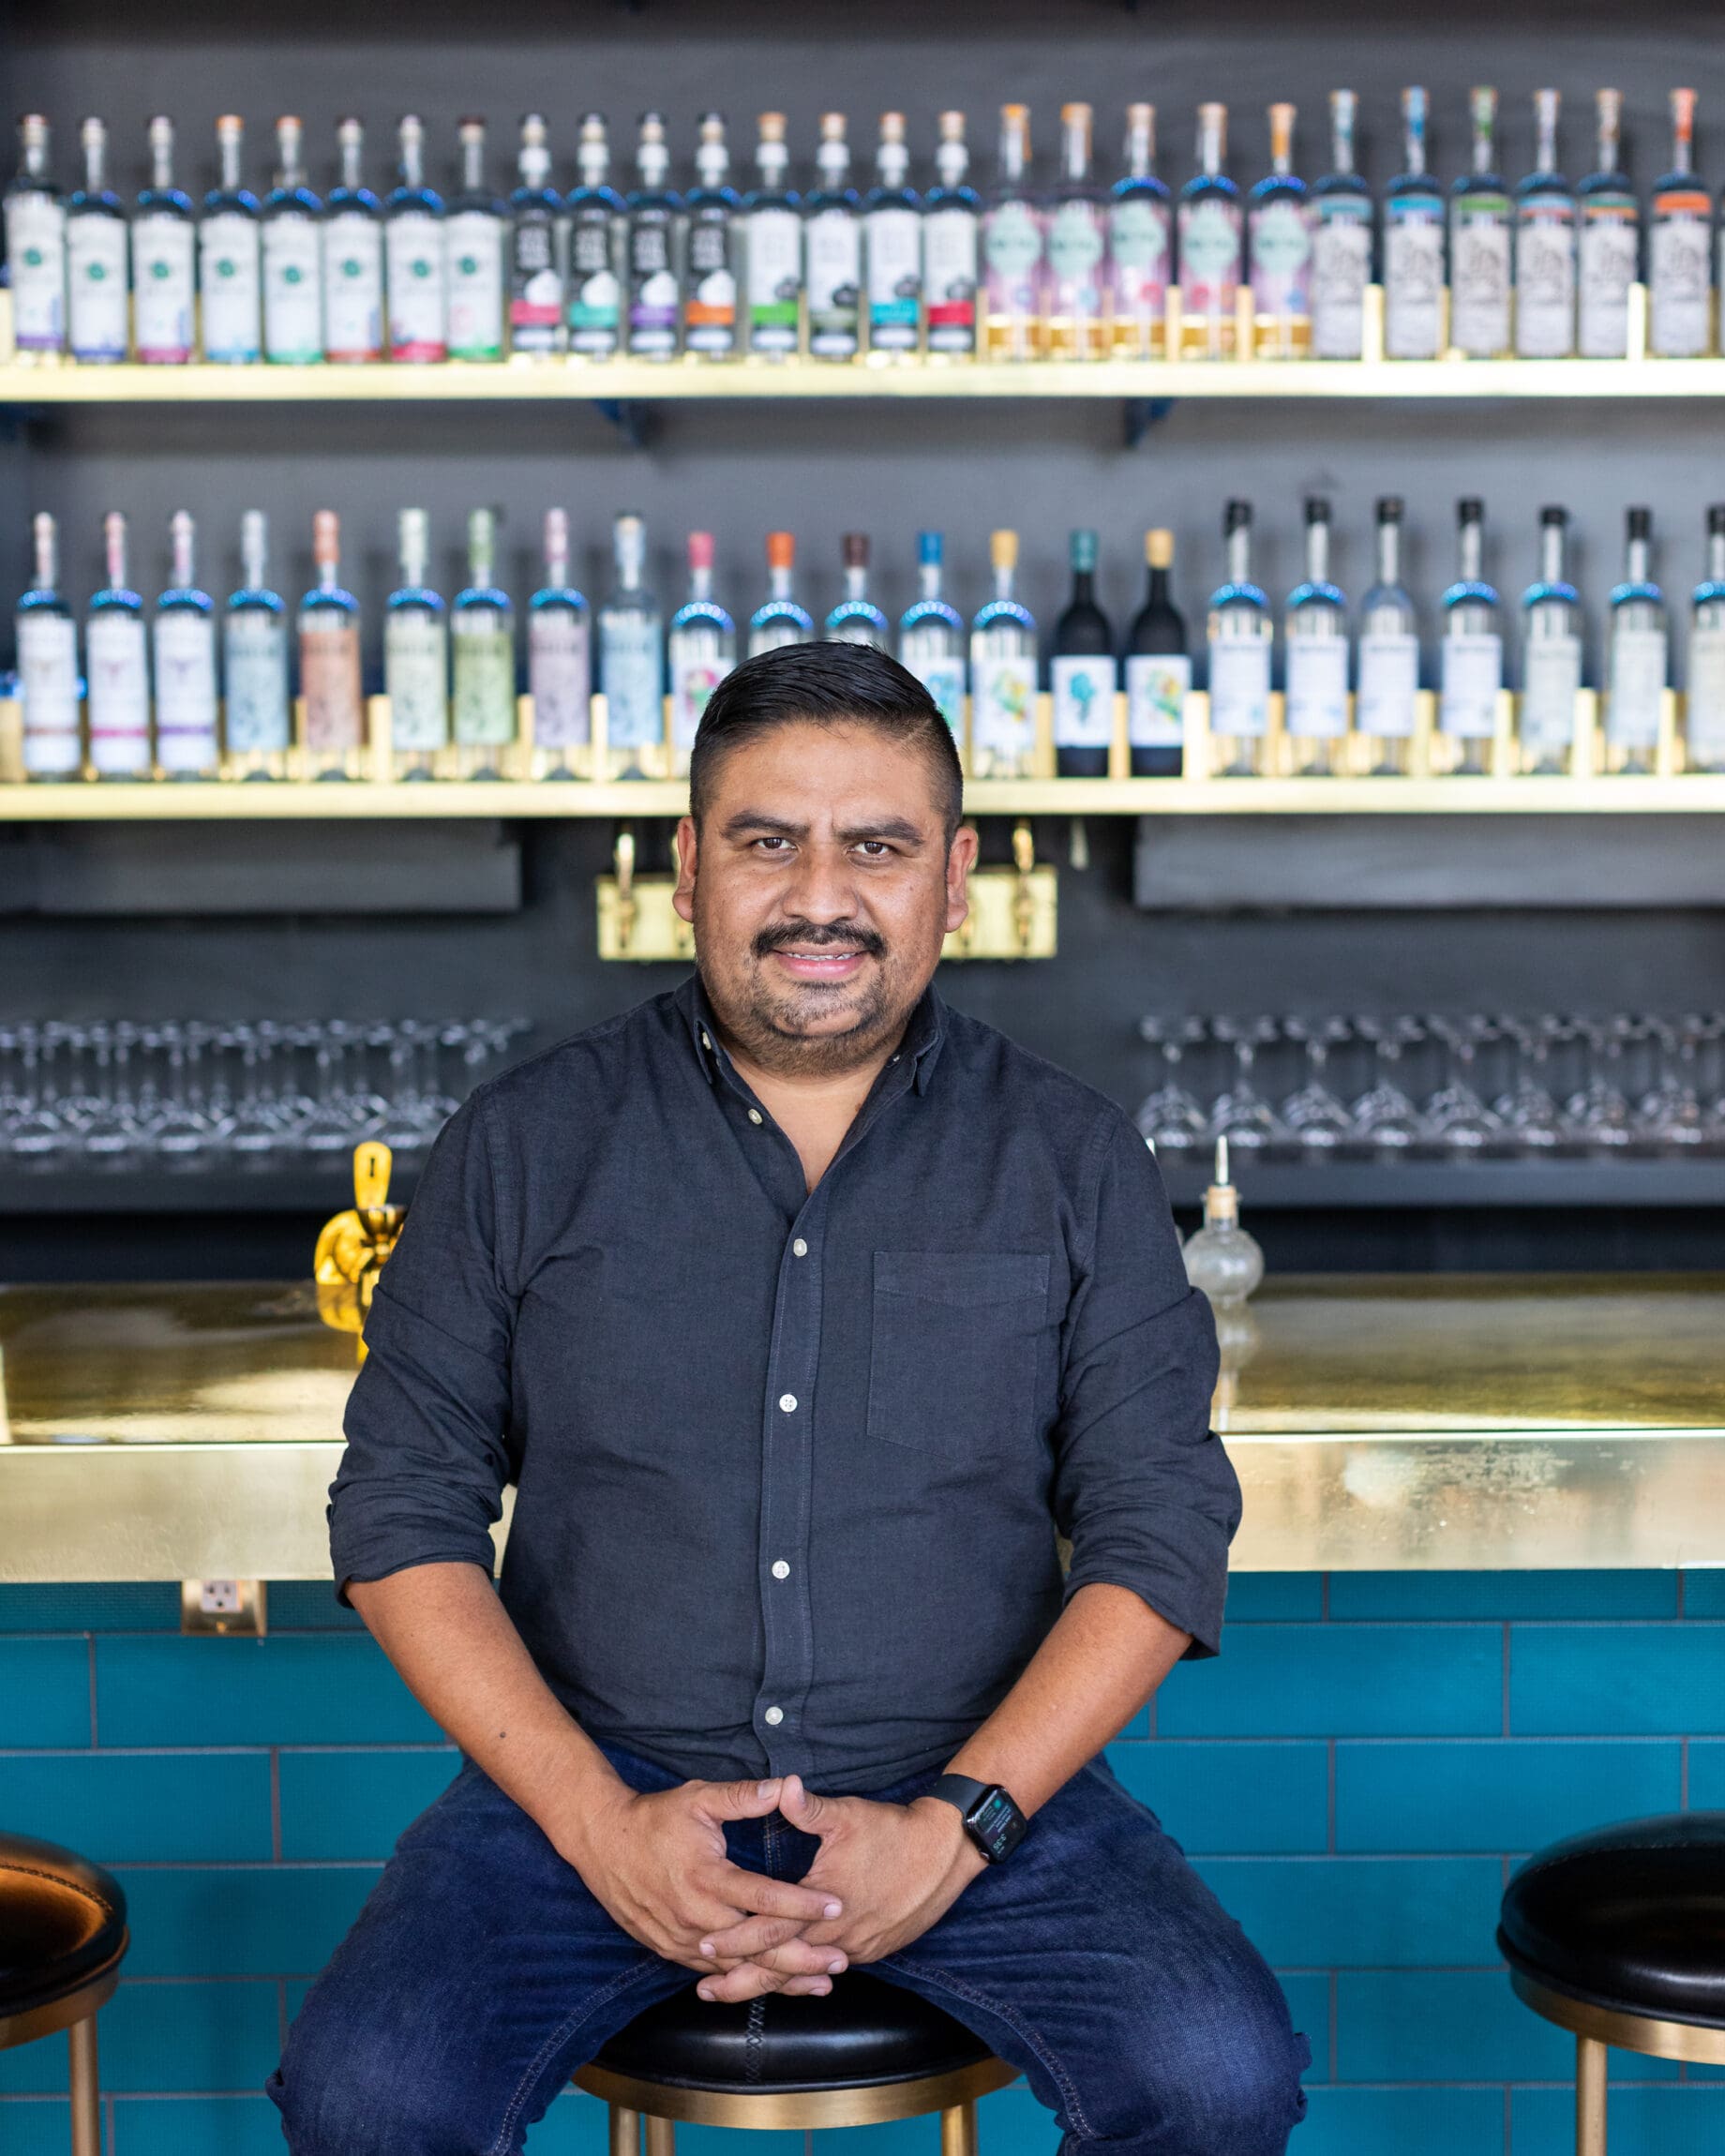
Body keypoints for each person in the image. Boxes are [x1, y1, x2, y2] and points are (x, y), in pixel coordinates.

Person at [269, 643, 1309, 2155]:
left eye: (875, 846)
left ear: (952, 879)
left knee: (1217, 2080)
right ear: (689, 866)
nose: (821, 897)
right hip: (589, 1786)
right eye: (769, 842)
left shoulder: (1072, 1156)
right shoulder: (523, 1142)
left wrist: (960, 1827)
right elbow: (398, 1509)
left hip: (976, 1792)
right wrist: (594, 1823)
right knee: (370, 2101)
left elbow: (1159, 1531)